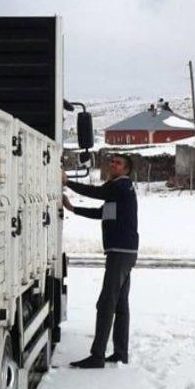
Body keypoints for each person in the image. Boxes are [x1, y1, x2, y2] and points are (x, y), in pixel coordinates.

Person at [62, 152, 139, 368]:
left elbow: (96, 192)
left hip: (120, 252)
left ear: (126, 170)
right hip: (125, 252)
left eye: (118, 163)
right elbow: (103, 213)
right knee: (120, 304)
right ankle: (120, 353)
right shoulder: (119, 192)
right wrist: (73, 209)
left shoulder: (120, 186)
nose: (113, 164)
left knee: (106, 303)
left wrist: (67, 182)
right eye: (112, 161)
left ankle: (97, 356)